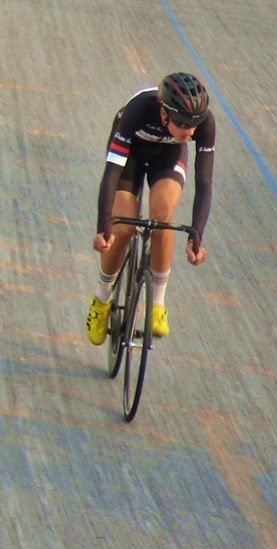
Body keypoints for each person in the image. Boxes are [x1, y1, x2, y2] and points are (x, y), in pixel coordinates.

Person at [85, 72, 215, 345]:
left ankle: (157, 304)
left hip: (166, 158)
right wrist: (102, 228)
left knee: (163, 216)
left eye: (194, 125)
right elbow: (111, 174)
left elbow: (204, 184)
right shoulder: (138, 110)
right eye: (182, 124)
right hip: (130, 157)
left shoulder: (203, 122)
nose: (189, 132)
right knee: (123, 228)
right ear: (164, 113)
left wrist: (196, 235)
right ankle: (101, 300)